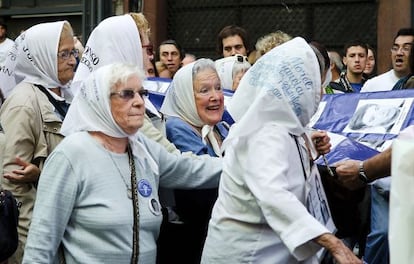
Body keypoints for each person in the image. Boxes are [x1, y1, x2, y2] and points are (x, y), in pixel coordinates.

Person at [22, 63, 223, 263]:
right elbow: (41, 245)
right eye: (127, 94)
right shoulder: (71, 154)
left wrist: (241, 164)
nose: (138, 102)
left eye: (141, 93)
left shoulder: (141, 146)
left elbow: (188, 170)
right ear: (101, 100)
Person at [201, 37, 362, 264]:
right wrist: (333, 244)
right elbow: (274, 194)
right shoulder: (263, 132)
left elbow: (286, 153)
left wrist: (309, 144)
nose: (321, 94)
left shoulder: (282, 124)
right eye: (316, 85)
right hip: (246, 256)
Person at [0, 21, 77, 263]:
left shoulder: (68, 94)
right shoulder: (24, 102)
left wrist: (42, 174)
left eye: (73, 52)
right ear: (41, 56)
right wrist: (27, 249)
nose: (73, 60)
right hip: (38, 238)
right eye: (64, 54)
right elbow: (12, 187)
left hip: (64, 229)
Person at [158, 58, 228, 263]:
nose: (215, 97)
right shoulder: (177, 128)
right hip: (189, 244)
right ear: (186, 95)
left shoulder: (220, 128)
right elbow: (206, 185)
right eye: (204, 90)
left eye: (218, 88)